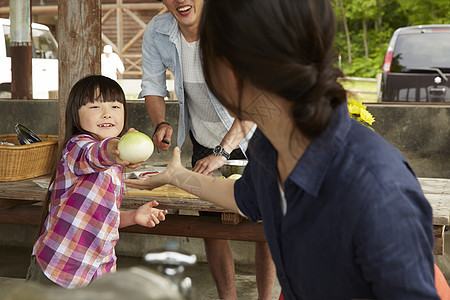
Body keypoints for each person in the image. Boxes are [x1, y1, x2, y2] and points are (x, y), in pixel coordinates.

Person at [126, 0, 443, 299]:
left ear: (233, 69)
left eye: (208, 50)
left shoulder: (376, 189)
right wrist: (177, 176)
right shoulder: (268, 145)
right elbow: (244, 198)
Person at [139, 1, 276, 299]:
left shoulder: (236, 25)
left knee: (265, 224)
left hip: (255, 136)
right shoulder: (158, 31)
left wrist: (223, 152)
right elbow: (152, 83)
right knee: (211, 224)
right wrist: (160, 121)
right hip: (203, 139)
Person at [27, 75, 168, 289]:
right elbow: (97, 153)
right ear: (76, 116)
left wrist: (133, 216)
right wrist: (115, 148)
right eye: (94, 106)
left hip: (97, 271)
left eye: (114, 106)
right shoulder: (76, 148)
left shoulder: (115, 164)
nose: (107, 113)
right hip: (58, 269)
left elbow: (99, 217)